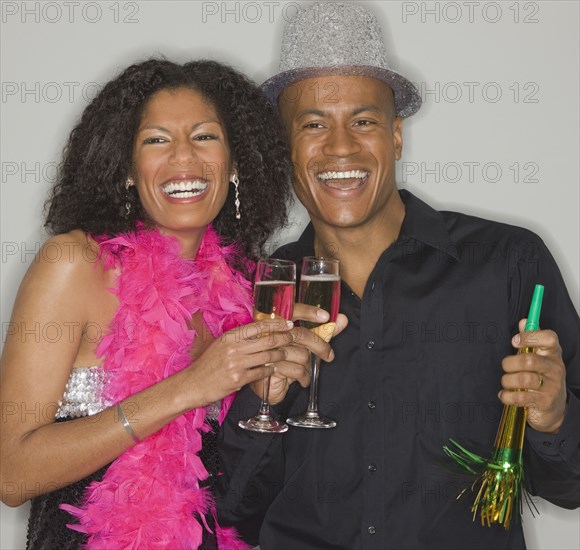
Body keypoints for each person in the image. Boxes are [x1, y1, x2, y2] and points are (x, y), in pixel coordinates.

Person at [217, 3, 580, 549]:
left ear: (396, 136)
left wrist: (555, 419)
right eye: (314, 124)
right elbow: (230, 512)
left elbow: (570, 487)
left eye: (363, 121)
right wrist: (257, 404)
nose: (341, 146)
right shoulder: (249, 292)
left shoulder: (510, 263)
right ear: (284, 149)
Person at [0, 58, 340, 549]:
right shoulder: (73, 264)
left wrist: (267, 397)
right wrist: (187, 389)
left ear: (235, 163)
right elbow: (12, 476)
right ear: (127, 169)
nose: (185, 158)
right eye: (157, 139)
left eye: (204, 137)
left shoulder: (246, 291)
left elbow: (238, 497)